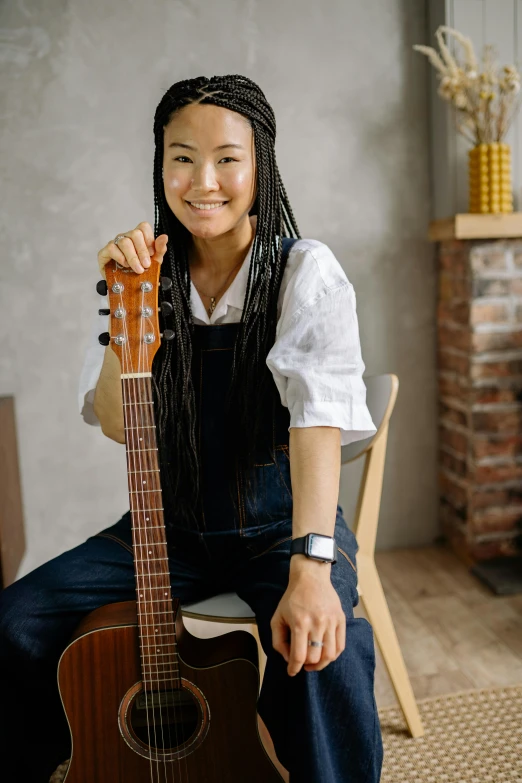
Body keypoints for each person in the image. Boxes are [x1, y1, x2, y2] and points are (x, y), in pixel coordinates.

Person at [0, 74, 383, 782]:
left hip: (280, 528)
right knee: (15, 621)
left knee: (322, 652)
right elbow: (119, 424)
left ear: (260, 164)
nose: (203, 180)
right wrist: (125, 317)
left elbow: (318, 422)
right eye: (181, 157)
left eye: (227, 158)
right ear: (160, 166)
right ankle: (79, 753)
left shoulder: (304, 271)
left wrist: (311, 567)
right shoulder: (140, 276)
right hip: (166, 528)